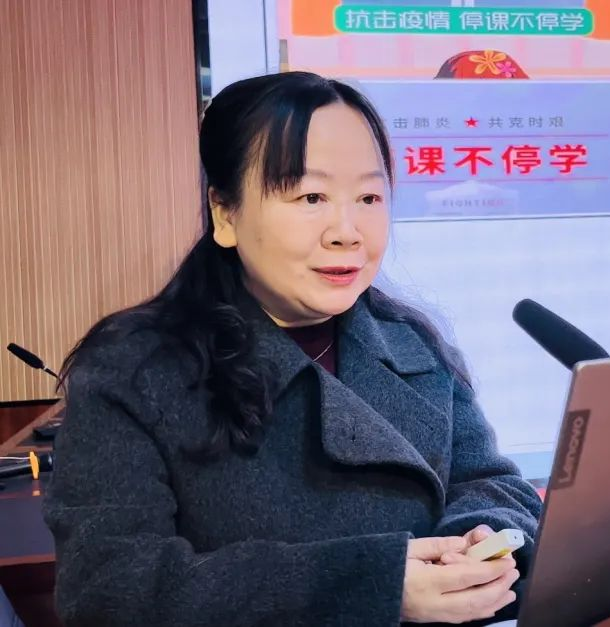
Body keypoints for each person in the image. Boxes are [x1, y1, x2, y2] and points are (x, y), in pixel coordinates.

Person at [43, 71, 543, 626]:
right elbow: (108, 587)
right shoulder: (135, 369)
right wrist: (372, 586)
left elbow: (493, 483)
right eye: (311, 197)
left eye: (369, 197)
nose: (347, 231)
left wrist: (474, 545)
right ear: (225, 213)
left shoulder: (409, 341)